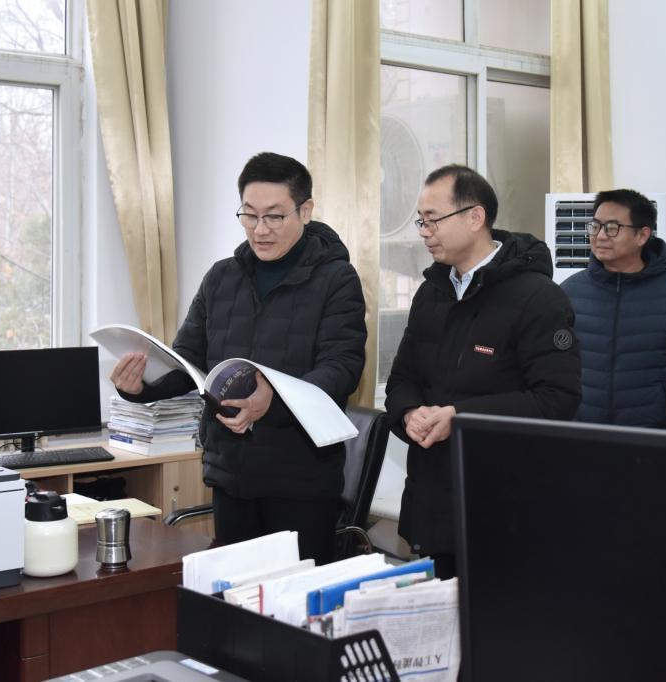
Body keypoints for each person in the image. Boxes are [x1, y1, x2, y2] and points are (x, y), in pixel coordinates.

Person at [109, 152, 367, 565]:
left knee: (292, 598)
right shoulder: (221, 277)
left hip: (300, 478)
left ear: (305, 211)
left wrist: (274, 399)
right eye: (249, 215)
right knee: (234, 594)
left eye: (275, 216)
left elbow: (342, 368)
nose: (260, 230)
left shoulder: (336, 280)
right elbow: (189, 360)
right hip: (231, 473)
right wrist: (142, 386)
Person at [385, 164, 581, 579]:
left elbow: (556, 399)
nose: (424, 231)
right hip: (431, 500)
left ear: (475, 217)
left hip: (503, 503)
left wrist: (460, 417)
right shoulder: (432, 292)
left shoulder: (538, 298)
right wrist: (409, 413)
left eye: (433, 219)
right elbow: (402, 379)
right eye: (421, 221)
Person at [560, 188, 666, 431]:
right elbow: (551, 368)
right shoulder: (570, 291)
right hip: (583, 438)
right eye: (595, 226)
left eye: (612, 228)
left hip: (653, 440)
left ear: (642, 235)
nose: (600, 236)